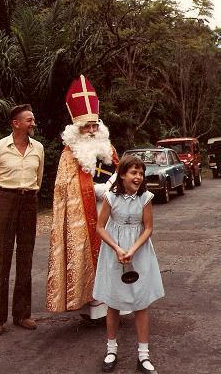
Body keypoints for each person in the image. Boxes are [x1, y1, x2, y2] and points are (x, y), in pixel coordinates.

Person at [46, 74, 119, 320]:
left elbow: (122, 171)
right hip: (87, 215)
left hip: (112, 211)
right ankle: (94, 308)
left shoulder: (108, 147)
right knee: (93, 258)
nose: (91, 130)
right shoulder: (70, 154)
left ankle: (119, 303)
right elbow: (65, 187)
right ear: (76, 128)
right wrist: (95, 190)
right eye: (86, 126)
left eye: (94, 125)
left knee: (115, 256)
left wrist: (111, 184)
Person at [93, 154, 164, 373]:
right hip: (114, 251)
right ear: (122, 174)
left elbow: (148, 228)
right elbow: (100, 226)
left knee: (141, 303)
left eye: (141, 173)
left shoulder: (146, 198)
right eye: (134, 172)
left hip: (139, 252)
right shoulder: (110, 198)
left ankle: (143, 355)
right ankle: (111, 350)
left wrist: (133, 249)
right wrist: (117, 248)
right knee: (113, 302)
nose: (138, 177)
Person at [0, 104, 44, 336]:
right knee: (1, 258)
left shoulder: (38, 148)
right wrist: (1, 205)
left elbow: (37, 179)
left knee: (26, 257)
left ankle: (22, 314)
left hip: (29, 201)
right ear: (16, 123)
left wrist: (26, 197)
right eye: (29, 120)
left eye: (33, 119)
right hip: (5, 200)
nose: (33, 123)